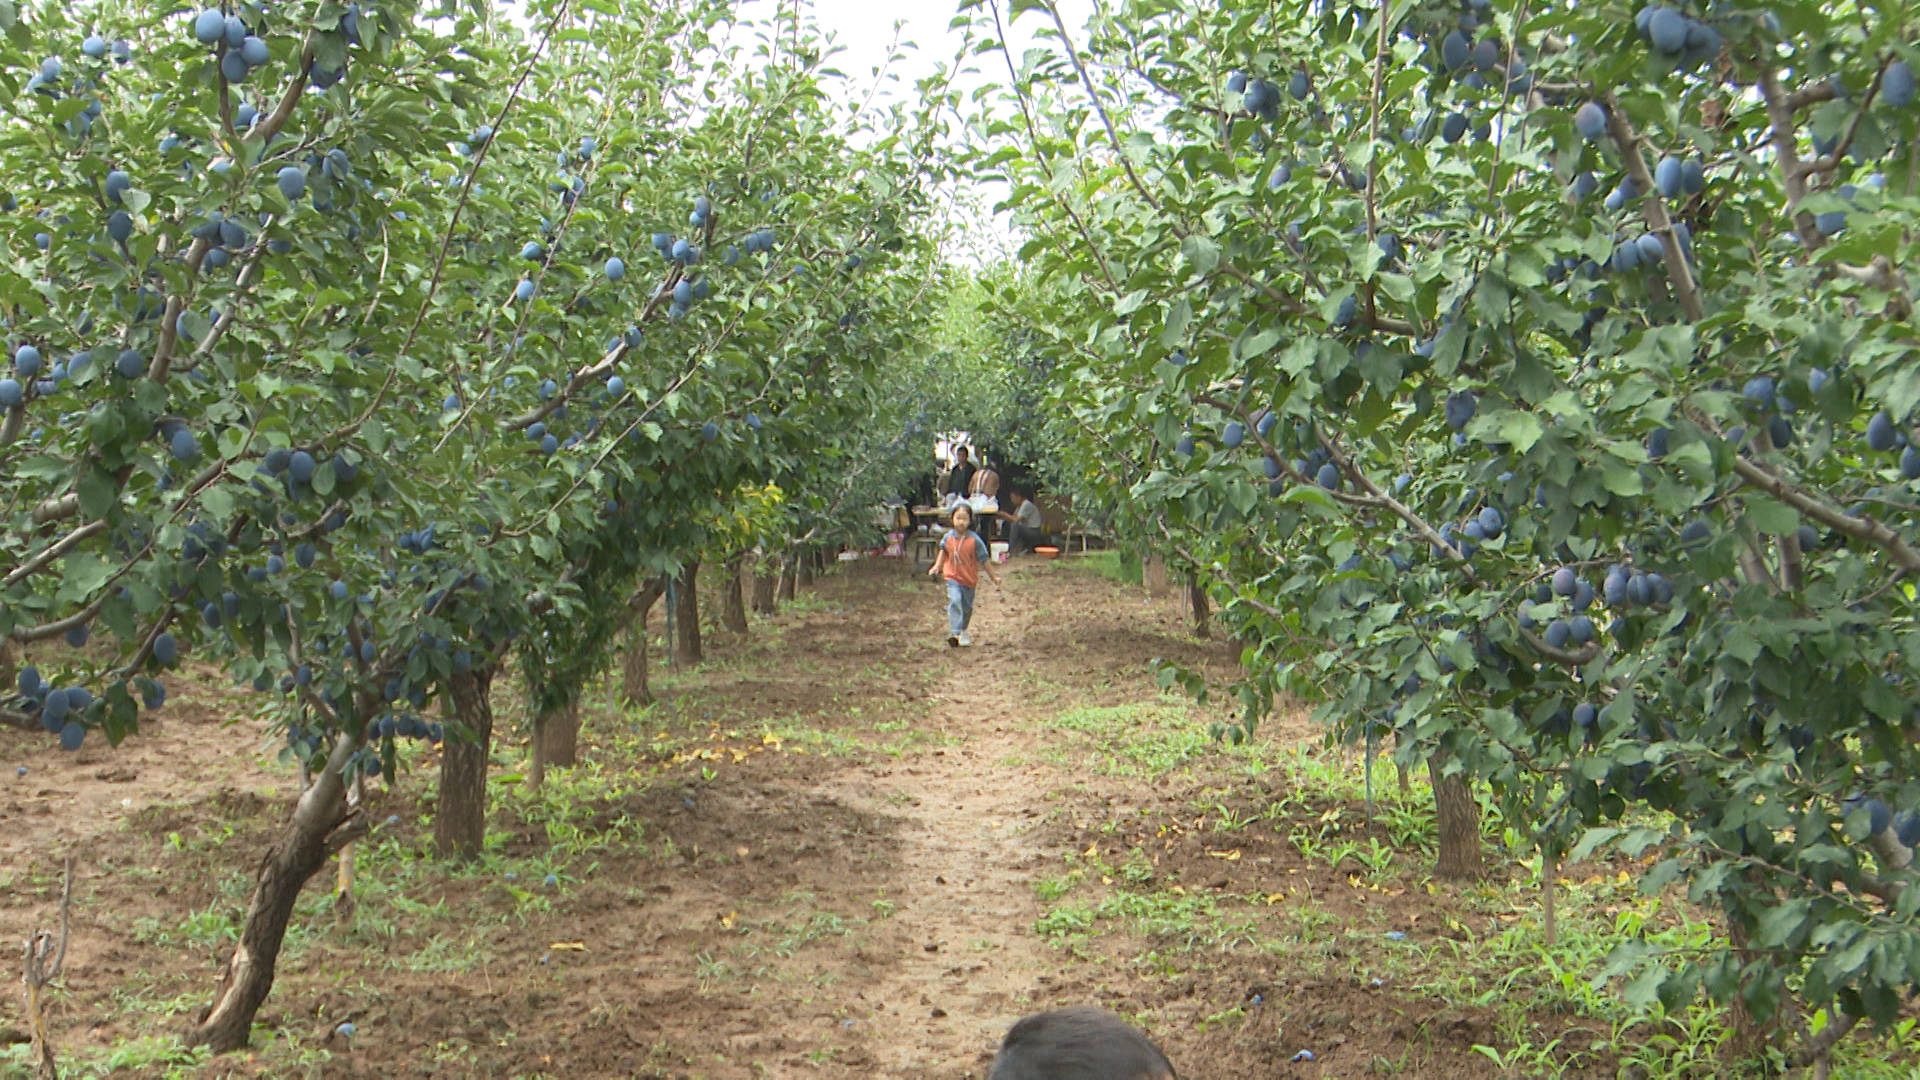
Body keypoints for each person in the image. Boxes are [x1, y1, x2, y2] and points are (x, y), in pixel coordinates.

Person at [927, 503, 1000, 647]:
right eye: (958, 518)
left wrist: (994, 577)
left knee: (966, 607)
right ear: (952, 518)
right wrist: (937, 567)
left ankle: (963, 630)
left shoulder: (974, 540)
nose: (961, 522)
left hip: (969, 579)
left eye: (965, 518)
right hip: (952, 577)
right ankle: (955, 633)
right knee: (955, 600)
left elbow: (984, 559)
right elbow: (943, 552)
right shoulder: (948, 538)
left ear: (970, 520)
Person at [996, 486, 1051, 555]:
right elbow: (1012, 518)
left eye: (1013, 498)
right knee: (1006, 524)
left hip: (1034, 532)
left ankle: (1011, 550)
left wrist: (1004, 514)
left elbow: (1016, 520)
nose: (1012, 500)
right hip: (1027, 529)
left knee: (1015, 526)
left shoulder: (1026, 505)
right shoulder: (1019, 506)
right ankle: (1003, 546)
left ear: (1018, 497)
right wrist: (1002, 516)